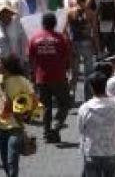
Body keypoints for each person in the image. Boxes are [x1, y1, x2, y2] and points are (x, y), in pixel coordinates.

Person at [28, 12, 70, 143]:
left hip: (41, 77)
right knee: (64, 103)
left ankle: (46, 133)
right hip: (58, 77)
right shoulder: (61, 38)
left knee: (46, 106)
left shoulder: (34, 38)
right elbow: (66, 57)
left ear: (43, 24)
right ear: (55, 24)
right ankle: (56, 127)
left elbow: (30, 58)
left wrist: (33, 75)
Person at [77, 71, 115, 177]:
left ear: (91, 88)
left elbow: (81, 129)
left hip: (91, 151)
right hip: (112, 150)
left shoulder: (85, 108)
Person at [68, 0, 99, 101]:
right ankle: (88, 96)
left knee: (74, 71)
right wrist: (97, 47)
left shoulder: (70, 12)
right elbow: (95, 32)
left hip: (74, 43)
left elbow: (65, 29)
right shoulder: (91, 13)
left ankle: (72, 93)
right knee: (89, 72)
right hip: (87, 43)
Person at [0, 2, 28, 68]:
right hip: (0, 64)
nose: (5, 14)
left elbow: (24, 43)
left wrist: (23, 60)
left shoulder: (17, 25)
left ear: (11, 13)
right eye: (2, 12)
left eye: (7, 12)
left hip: (15, 63)